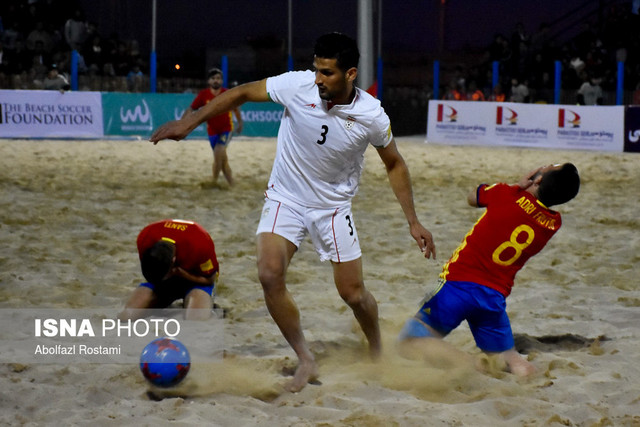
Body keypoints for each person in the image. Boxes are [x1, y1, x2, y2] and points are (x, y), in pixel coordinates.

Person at [150, 32, 436, 392]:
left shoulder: (371, 116)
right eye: (317, 69)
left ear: (350, 74)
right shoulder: (296, 85)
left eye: (327, 73)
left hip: (332, 207)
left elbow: (394, 164)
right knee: (269, 274)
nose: (318, 79)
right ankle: (306, 358)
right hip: (285, 197)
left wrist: (413, 221)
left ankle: (377, 349)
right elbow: (239, 93)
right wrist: (188, 123)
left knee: (353, 294)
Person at [398, 163, 580, 377]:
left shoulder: (506, 194)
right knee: (507, 355)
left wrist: (516, 185)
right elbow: (534, 206)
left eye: (547, 167)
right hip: (493, 297)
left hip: (458, 285)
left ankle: (473, 364)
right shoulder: (552, 223)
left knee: (409, 341)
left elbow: (472, 197)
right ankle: (528, 374)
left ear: (537, 179)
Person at [119, 219, 219, 321]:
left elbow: (210, 279)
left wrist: (183, 274)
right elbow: (150, 271)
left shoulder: (200, 244)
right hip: (163, 282)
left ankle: (201, 303)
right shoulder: (145, 237)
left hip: (196, 280)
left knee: (195, 320)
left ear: (174, 261)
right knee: (127, 316)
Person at [183, 68, 243, 186]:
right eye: (214, 78)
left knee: (218, 151)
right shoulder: (203, 95)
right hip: (212, 131)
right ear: (209, 81)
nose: (216, 81)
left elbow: (236, 108)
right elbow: (191, 108)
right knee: (223, 160)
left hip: (226, 129)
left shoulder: (227, 93)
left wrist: (240, 122)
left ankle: (213, 182)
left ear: (222, 81)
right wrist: (182, 122)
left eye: (218, 78)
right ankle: (232, 184)